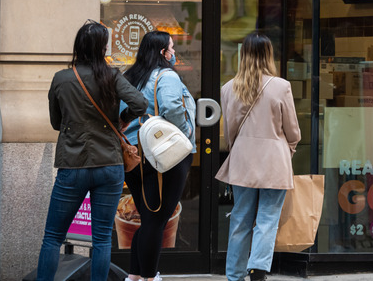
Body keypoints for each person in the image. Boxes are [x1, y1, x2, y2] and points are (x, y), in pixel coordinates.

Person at [37, 21, 148, 281]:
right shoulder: (111, 75)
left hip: (73, 165)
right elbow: (141, 103)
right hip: (109, 164)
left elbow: (56, 122)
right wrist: (123, 118)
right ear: (103, 47)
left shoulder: (61, 79)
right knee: (101, 239)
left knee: (52, 237)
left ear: (78, 46)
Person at [216, 32, 301, 281]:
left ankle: (234, 274)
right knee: (267, 217)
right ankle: (257, 269)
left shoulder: (228, 88)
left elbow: (229, 133)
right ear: (268, 55)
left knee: (240, 218)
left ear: (243, 55)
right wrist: (287, 151)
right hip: (274, 160)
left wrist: (241, 149)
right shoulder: (281, 86)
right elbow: (293, 131)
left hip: (243, 160)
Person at [122, 31, 197, 281]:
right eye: (171, 48)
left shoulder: (130, 77)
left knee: (148, 218)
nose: (174, 53)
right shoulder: (166, 76)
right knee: (156, 220)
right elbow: (172, 106)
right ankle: (150, 277)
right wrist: (184, 134)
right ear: (162, 52)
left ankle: (134, 276)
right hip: (165, 156)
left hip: (133, 157)